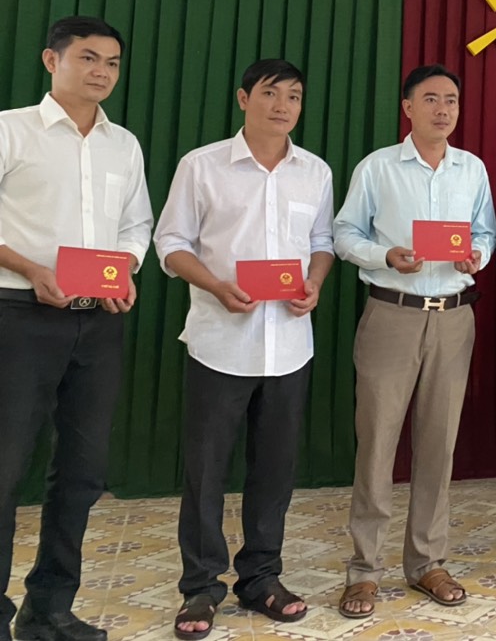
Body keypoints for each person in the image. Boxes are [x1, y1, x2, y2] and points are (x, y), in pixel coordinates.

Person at [155, 59, 334, 638]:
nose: (282, 106)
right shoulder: (202, 165)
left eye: (294, 96)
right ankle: (200, 587)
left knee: (275, 470)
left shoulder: (315, 171)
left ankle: (261, 578)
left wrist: (314, 283)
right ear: (242, 98)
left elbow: (322, 241)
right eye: (270, 93)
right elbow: (170, 242)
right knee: (206, 471)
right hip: (220, 342)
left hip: (290, 346)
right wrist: (214, 285)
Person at [0, 16, 152, 641]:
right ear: (51, 60)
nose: (101, 72)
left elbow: (136, 225)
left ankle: (50, 609)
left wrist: (127, 270)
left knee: (82, 471)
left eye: (112, 62)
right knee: (5, 468)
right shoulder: (11, 130)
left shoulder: (124, 145)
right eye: (88, 58)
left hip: (98, 324)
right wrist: (30, 269)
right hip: (19, 317)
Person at [333, 65, 496, 616]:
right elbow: (344, 233)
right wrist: (384, 255)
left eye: (451, 99)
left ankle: (427, 561)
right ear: (407, 108)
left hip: (453, 317)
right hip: (392, 313)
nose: (443, 109)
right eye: (430, 99)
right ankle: (364, 570)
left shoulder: (471, 168)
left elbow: (485, 230)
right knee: (377, 444)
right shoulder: (377, 167)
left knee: (438, 443)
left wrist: (478, 255)